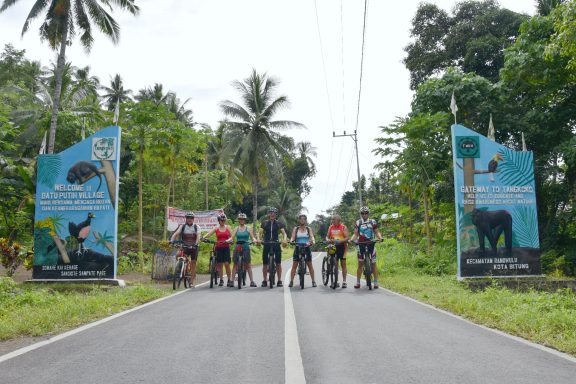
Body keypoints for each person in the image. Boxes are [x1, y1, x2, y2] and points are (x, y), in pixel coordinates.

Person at [350, 206, 383, 289]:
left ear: (368, 213)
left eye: (366, 213)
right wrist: (351, 240)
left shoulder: (372, 221)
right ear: (360, 214)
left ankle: (375, 282)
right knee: (360, 264)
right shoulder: (358, 222)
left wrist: (380, 237)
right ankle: (358, 282)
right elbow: (355, 234)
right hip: (360, 244)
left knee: (373, 263)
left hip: (371, 243)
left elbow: (377, 231)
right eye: (362, 213)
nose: (364, 214)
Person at [227, 213, 260, 287]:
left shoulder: (248, 228)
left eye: (243, 219)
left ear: (245, 220)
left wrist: (254, 240)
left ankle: (252, 281)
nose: (242, 220)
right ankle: (232, 281)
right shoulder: (236, 228)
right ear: (239, 220)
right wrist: (227, 240)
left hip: (245, 246)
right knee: (235, 264)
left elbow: (252, 237)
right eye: (240, 219)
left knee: (248, 264)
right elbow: (232, 237)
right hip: (238, 245)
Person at [170, 212, 201, 287]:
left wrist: (196, 243)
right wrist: (171, 240)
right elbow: (176, 233)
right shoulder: (182, 226)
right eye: (188, 218)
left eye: (191, 218)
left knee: (193, 263)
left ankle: (191, 282)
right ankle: (180, 268)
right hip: (185, 246)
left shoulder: (197, 227)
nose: (189, 219)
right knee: (178, 255)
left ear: (193, 219)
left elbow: (198, 237)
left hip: (194, 247)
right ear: (186, 219)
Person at [202, 214, 233, 287]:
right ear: (219, 221)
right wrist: (203, 237)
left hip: (226, 247)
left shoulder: (228, 227)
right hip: (218, 247)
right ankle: (221, 280)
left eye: (224, 220)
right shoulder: (216, 228)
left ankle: (229, 279)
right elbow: (209, 234)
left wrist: (230, 241)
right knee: (219, 264)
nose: (223, 221)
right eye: (221, 220)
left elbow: (232, 236)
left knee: (227, 264)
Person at [260, 207, 288, 287]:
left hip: (276, 243)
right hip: (266, 243)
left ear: (276, 215)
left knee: (278, 263)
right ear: (268, 214)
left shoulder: (279, 223)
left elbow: (284, 233)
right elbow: (260, 232)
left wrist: (284, 239)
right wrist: (259, 239)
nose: (272, 214)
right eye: (270, 213)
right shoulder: (264, 223)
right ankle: (265, 280)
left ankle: (279, 280)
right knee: (265, 263)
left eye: (274, 213)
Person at [288, 214, 317, 288]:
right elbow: (293, 237)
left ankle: (313, 281)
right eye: (301, 219)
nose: (302, 220)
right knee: (294, 264)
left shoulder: (308, 229)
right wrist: (291, 241)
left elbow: (312, 236)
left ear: (306, 220)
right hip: (298, 247)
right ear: (299, 220)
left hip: (306, 247)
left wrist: (313, 241)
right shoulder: (296, 229)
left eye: (304, 219)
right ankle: (291, 281)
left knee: (310, 265)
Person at [325, 214, 350, 288]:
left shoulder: (343, 227)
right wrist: (327, 240)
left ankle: (344, 281)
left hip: (342, 247)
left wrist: (340, 241)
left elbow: (347, 238)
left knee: (343, 264)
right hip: (332, 246)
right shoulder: (331, 227)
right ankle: (336, 280)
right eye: (332, 219)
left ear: (338, 220)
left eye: (333, 219)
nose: (332, 221)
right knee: (334, 263)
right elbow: (327, 236)